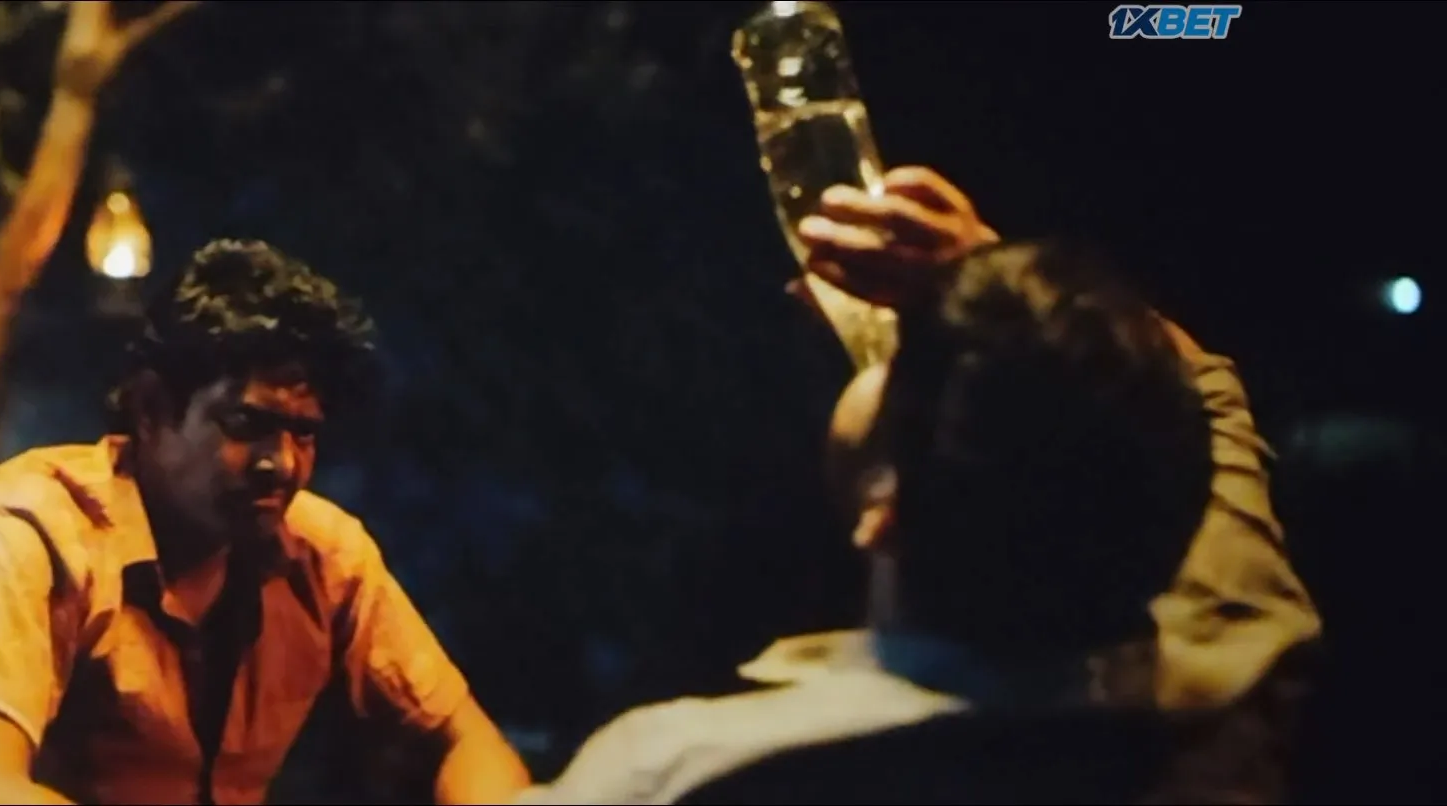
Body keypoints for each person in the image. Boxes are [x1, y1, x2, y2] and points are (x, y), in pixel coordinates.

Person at [518, 168, 1323, 803]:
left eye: (908, 362)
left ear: (885, 513)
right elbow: (1201, 392)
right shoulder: (1242, 670)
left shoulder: (687, 770)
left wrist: (443, 693)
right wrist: (1005, 294)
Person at [0, 239, 532, 805]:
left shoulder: (322, 555)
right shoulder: (21, 533)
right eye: (246, 424)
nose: (282, 464)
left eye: (304, 432)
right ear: (149, 409)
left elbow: (466, 744)